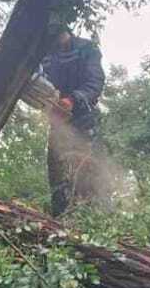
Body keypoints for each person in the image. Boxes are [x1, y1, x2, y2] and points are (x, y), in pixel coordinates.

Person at [40, 24, 106, 216]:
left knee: (88, 174)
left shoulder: (87, 49)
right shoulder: (43, 55)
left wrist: (73, 99)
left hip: (85, 119)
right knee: (58, 176)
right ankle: (59, 221)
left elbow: (95, 82)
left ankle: (94, 218)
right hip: (58, 124)